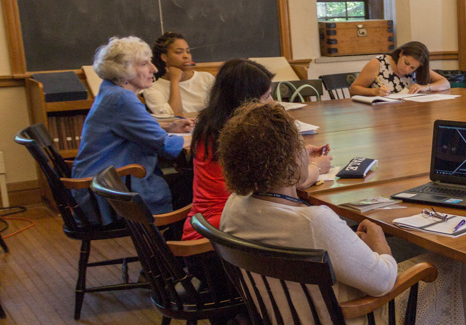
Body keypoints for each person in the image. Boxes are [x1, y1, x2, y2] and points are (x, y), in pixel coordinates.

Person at [217, 102, 466, 325]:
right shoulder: (314, 223)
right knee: (446, 268)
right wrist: (379, 242)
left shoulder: (235, 208)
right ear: (287, 159)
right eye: (300, 147)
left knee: (437, 276)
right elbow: (384, 281)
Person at [181, 59, 333, 241]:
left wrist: (297, 154)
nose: (273, 102)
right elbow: (291, 181)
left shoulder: (209, 124)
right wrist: (317, 166)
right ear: (247, 100)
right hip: (223, 238)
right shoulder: (245, 136)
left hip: (202, 227)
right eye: (267, 95)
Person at [72, 36, 194, 220]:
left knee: (185, 180)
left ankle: (173, 240)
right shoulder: (122, 99)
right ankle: (174, 244)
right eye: (145, 64)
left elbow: (135, 128)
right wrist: (199, 135)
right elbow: (165, 146)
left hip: (101, 183)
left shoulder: (111, 91)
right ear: (124, 70)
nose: (153, 68)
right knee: (194, 183)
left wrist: (170, 127)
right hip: (112, 194)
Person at [142, 32, 216, 117]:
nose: (186, 56)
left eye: (188, 51)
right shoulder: (153, 88)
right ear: (164, 57)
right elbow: (172, 117)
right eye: (179, 52)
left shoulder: (206, 78)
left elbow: (220, 109)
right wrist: (174, 80)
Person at [349, 41, 450, 96]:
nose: (406, 69)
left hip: (408, 113)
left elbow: (445, 83)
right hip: (382, 115)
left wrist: (425, 87)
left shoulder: (418, 68)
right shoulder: (379, 63)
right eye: (406, 63)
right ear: (401, 53)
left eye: (412, 68)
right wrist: (374, 92)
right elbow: (354, 89)